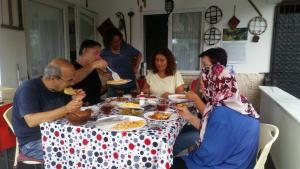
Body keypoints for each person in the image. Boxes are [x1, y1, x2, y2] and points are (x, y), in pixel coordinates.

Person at [172, 48, 260, 169]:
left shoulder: (222, 111)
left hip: (226, 164)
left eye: (205, 80)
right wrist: (189, 116)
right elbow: (213, 130)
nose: (202, 86)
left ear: (215, 81)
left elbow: (208, 155)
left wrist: (192, 154)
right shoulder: (238, 102)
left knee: (167, 163)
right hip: (240, 162)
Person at [12, 58, 85, 160]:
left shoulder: (60, 88)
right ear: (53, 78)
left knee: (87, 144)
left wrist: (76, 101)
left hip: (58, 134)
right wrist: (67, 108)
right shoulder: (28, 89)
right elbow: (31, 121)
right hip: (34, 141)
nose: (72, 83)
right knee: (77, 155)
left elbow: (68, 114)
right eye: (69, 80)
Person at [101, 28, 142, 96]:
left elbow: (139, 54)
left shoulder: (127, 47)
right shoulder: (104, 52)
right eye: (115, 42)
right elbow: (94, 62)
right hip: (114, 88)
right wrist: (103, 73)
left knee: (132, 105)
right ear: (108, 42)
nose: (118, 43)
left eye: (119, 40)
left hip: (131, 86)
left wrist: (136, 67)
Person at [72, 40, 108, 106]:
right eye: (96, 53)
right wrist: (93, 65)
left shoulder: (92, 68)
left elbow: (97, 91)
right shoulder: (71, 67)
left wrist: (109, 84)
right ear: (84, 51)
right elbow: (73, 79)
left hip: (96, 107)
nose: (98, 57)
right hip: (81, 109)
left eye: (99, 54)